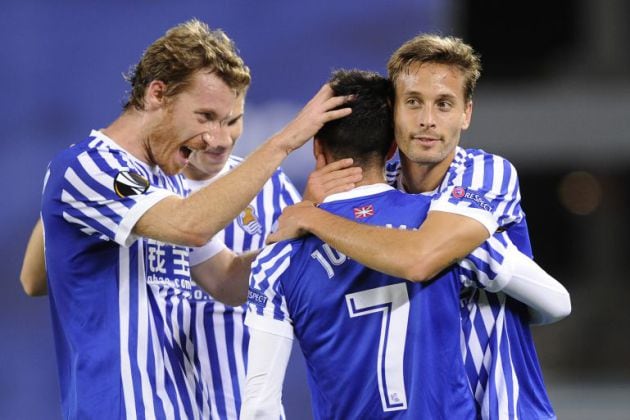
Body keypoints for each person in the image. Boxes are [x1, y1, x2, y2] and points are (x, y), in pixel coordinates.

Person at [38, 19, 351, 419]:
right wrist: (285, 141)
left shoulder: (169, 182)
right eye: (205, 116)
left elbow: (228, 281)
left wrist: (298, 229)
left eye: (228, 122)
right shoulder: (87, 166)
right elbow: (190, 225)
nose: (217, 140)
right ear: (157, 94)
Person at [269, 35, 570, 419]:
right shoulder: (375, 190)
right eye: (413, 102)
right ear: (393, 111)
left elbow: (420, 259)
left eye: (444, 104)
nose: (428, 119)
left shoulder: (485, 174)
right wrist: (314, 203)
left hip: (507, 408)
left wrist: (313, 216)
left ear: (466, 114)